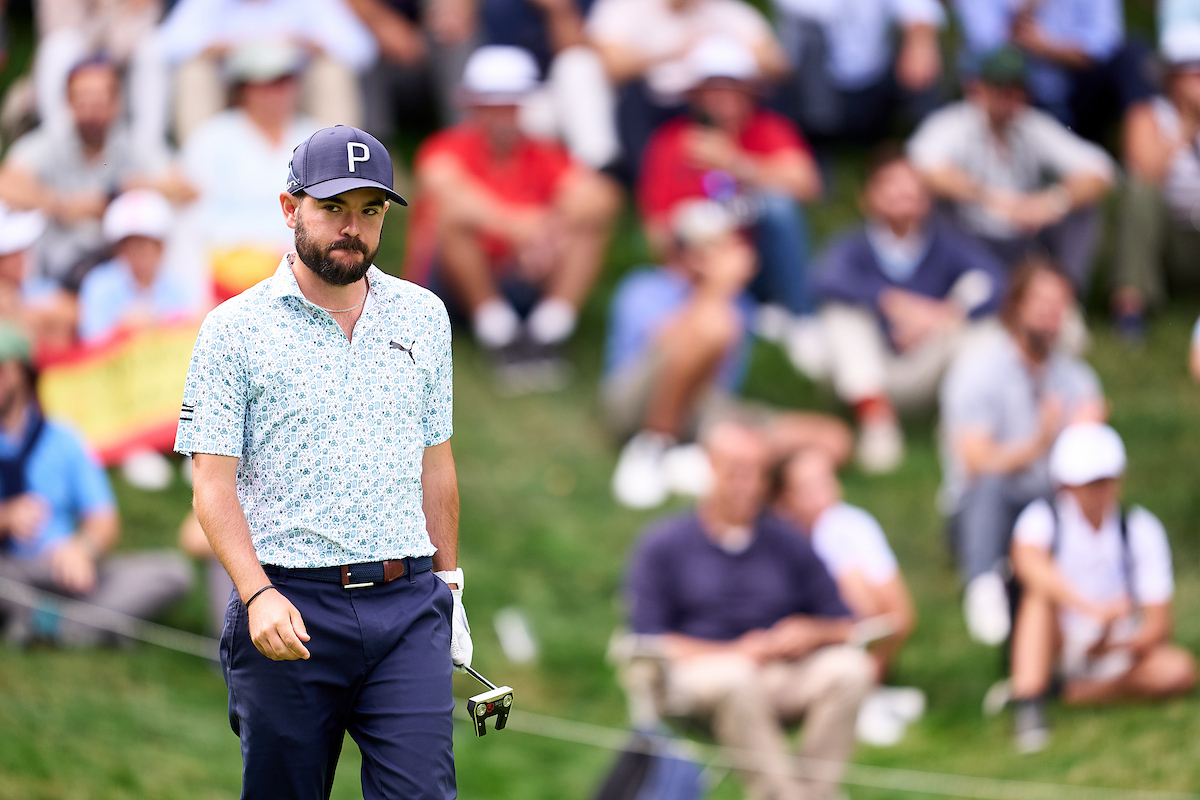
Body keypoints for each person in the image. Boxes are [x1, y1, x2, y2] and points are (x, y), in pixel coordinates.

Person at [176, 125, 469, 799]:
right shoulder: (233, 329)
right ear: (290, 208)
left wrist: (449, 585)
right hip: (289, 603)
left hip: (407, 604)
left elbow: (437, 464)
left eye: (370, 210)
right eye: (333, 207)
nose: (352, 228)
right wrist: (256, 594)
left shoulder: (424, 316)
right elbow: (212, 487)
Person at [625, 421, 874, 800]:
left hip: (780, 674)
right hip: (695, 678)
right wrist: (734, 652)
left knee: (851, 670)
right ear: (710, 466)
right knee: (736, 677)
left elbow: (846, 624)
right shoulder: (664, 545)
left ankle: (815, 793)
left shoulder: (788, 542)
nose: (748, 484)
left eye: (758, 472)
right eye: (736, 471)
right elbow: (648, 640)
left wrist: (810, 632)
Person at [605, 200, 851, 510]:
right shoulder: (646, 287)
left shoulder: (737, 302)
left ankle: (700, 463)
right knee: (715, 325)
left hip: (706, 407)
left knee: (832, 438)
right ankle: (654, 447)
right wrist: (716, 290)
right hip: (635, 403)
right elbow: (667, 347)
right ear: (687, 254)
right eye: (715, 247)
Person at [411, 46, 619, 369]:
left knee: (587, 226)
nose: (503, 117)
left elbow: (601, 198)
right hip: (453, 285)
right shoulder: (446, 148)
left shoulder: (543, 152)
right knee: (451, 219)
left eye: (511, 106)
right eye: (493, 107)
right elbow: (446, 193)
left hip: (526, 270)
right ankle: (499, 335)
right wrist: (520, 229)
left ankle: (548, 332)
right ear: (473, 106)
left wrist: (548, 232)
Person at [939, 258, 1106, 647]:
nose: (1051, 313)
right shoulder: (978, 371)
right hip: (983, 507)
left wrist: (1085, 438)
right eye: (1041, 302)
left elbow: (1090, 465)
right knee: (991, 484)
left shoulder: (1078, 378)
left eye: (1059, 304)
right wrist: (1040, 442)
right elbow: (976, 461)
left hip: (1049, 498)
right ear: (1015, 306)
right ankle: (983, 586)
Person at [811, 147, 1006, 473]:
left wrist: (940, 315)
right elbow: (825, 279)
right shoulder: (853, 246)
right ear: (867, 197)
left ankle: (957, 427)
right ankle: (877, 425)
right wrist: (891, 303)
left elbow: (995, 280)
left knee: (984, 330)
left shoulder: (946, 243)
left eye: (911, 185)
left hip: (926, 362)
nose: (902, 192)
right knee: (840, 316)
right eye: (890, 183)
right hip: (869, 371)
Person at [1006, 423, 1196, 753]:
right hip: (1059, 640)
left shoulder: (1140, 527)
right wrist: (1093, 611)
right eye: (1090, 483)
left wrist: (1111, 642)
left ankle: (1079, 693)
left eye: (1106, 480)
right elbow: (1027, 563)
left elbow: (1159, 624)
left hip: (1116, 647)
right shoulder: (1042, 518)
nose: (1101, 491)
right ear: (1067, 485)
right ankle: (1030, 699)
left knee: (1178, 670)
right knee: (1038, 598)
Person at [0, 325, 192, 646]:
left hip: (65, 569)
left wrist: (82, 549)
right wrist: (7, 518)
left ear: (21, 373)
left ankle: (52, 625)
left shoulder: (63, 438)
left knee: (172, 572)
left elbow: (104, 520)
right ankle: (87, 626)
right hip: (12, 570)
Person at [638, 36, 823, 318]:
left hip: (761, 260)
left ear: (749, 91)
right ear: (695, 95)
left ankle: (800, 316)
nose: (722, 97)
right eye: (712, 88)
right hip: (698, 267)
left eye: (732, 87)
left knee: (779, 206)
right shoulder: (670, 141)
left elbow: (808, 185)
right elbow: (657, 229)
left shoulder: (770, 129)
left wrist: (734, 162)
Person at [907, 46, 1115, 292]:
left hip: (1022, 239)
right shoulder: (954, 123)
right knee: (925, 200)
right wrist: (990, 198)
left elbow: (1100, 169)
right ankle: (936, 287)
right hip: (967, 235)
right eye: (1004, 91)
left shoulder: (1032, 124)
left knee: (1082, 210)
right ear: (979, 89)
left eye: (1019, 91)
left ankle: (1064, 295)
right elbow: (921, 168)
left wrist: (1052, 202)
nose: (1012, 100)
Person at [774, 447, 922, 747]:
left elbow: (900, 616)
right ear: (785, 499)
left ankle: (864, 694)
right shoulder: (773, 540)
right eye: (808, 486)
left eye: (825, 480)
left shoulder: (850, 526)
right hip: (785, 661)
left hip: (840, 647)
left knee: (852, 578)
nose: (822, 494)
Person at [0, 57, 177, 283]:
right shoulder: (49, 144)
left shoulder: (131, 143)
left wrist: (136, 192)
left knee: (176, 218)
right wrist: (62, 206)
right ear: (68, 102)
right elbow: (5, 183)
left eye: (99, 100)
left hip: (124, 263)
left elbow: (187, 188)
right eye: (84, 99)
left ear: (116, 103)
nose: (92, 109)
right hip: (57, 264)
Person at [177, 39, 321, 302]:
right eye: (266, 83)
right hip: (226, 268)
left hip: (300, 269)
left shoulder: (317, 137)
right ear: (244, 88)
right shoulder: (211, 137)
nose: (277, 92)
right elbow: (194, 215)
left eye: (285, 81)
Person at [586, 0, 789, 182]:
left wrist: (727, 49)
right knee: (631, 98)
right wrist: (673, 52)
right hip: (656, 102)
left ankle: (768, 165)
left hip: (718, 95)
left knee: (762, 91)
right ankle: (642, 178)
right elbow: (613, 66)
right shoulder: (623, 8)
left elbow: (778, 64)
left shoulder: (730, 12)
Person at [156, 0, 376, 141]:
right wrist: (219, 47)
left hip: (292, 89)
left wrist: (308, 44)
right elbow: (164, 46)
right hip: (233, 90)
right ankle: (198, 169)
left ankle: (338, 163)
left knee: (332, 72)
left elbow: (361, 49)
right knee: (194, 72)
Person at [953, 0, 1154, 143]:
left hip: (1080, 91)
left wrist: (1047, 48)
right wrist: (1025, 9)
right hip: (1022, 92)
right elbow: (985, 47)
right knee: (991, 70)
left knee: (1133, 55)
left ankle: (1144, 176)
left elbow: (1106, 43)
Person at [1112, 24, 1200, 338]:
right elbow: (1145, 171)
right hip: (1169, 242)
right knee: (1142, 196)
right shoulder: (1147, 115)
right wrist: (1187, 125)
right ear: (1172, 77)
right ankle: (1130, 311)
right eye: (1194, 73)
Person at [772, 0, 945, 144]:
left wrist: (919, 42)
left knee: (921, 50)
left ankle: (930, 145)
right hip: (816, 89)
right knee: (811, 39)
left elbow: (919, 8)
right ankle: (815, 146)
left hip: (876, 82)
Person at [480, 0, 619, 169]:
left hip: (602, 92)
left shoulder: (592, 3)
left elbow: (596, 57)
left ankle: (599, 169)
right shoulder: (502, 8)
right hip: (529, 100)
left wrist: (560, 11)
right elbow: (501, 72)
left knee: (575, 66)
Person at [77, 189, 193, 344]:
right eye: (129, 246)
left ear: (160, 248)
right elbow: (90, 342)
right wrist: (121, 329)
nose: (137, 253)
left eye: (144, 245)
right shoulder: (99, 284)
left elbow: (189, 332)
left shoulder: (177, 286)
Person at [347, 0, 480, 134]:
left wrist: (452, 12)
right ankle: (370, 141)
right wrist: (383, 25)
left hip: (432, 38)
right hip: (381, 46)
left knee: (457, 45)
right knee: (362, 55)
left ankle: (466, 137)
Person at [0, 205, 75, 351]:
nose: (21, 259)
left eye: (22, 251)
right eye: (12, 254)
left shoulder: (34, 286)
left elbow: (71, 312)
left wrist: (21, 311)